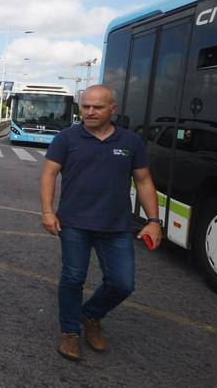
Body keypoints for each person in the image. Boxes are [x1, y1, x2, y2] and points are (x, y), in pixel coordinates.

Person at [39, 84, 162, 361]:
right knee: (73, 278)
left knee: (122, 283)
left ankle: (91, 314)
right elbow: (49, 175)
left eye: (97, 107)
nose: (90, 112)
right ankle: (70, 332)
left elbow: (143, 181)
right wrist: (48, 211)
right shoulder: (67, 138)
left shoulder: (131, 142)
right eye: (86, 106)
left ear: (113, 109)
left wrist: (154, 220)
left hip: (116, 226)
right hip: (74, 223)